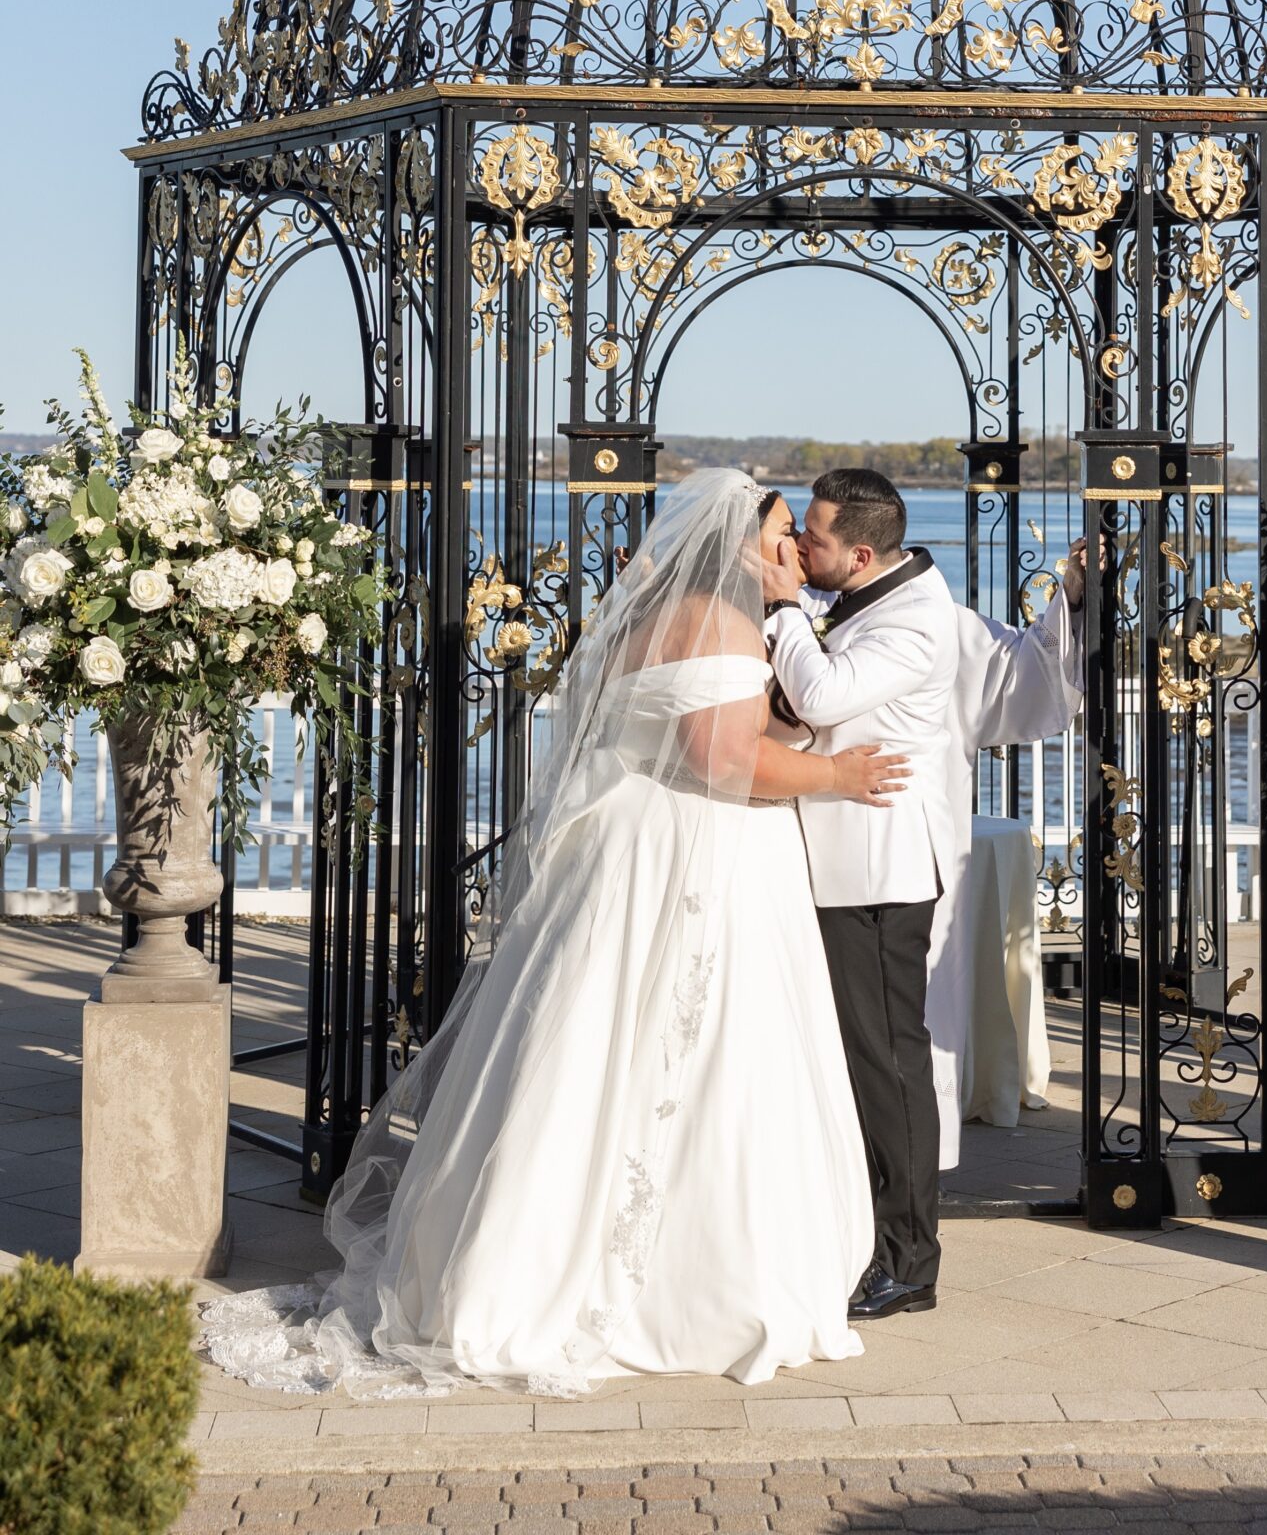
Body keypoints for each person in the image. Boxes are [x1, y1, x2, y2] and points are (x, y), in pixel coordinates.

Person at [203, 470, 906, 1396]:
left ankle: (519, 1251)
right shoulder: (720, 621)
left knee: (595, 1050)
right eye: (782, 537)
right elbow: (723, 757)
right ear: (738, 545)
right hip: (696, 866)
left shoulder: (670, 617)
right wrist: (838, 777)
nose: (795, 558)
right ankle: (669, 1288)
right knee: (697, 1051)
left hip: (633, 855)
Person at [762, 467, 959, 1322]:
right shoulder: (869, 597)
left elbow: (822, 693)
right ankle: (862, 1231)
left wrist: (780, 609)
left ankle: (911, 1261)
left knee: (888, 1066)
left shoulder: (915, 621)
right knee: (855, 1063)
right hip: (839, 860)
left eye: (816, 538)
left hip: (876, 874)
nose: (803, 548)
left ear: (864, 552)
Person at [936, 542, 1086, 1165]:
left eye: (810, 532)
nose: (802, 548)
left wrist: (1072, 597)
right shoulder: (784, 612)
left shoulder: (940, 623)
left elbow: (1025, 666)